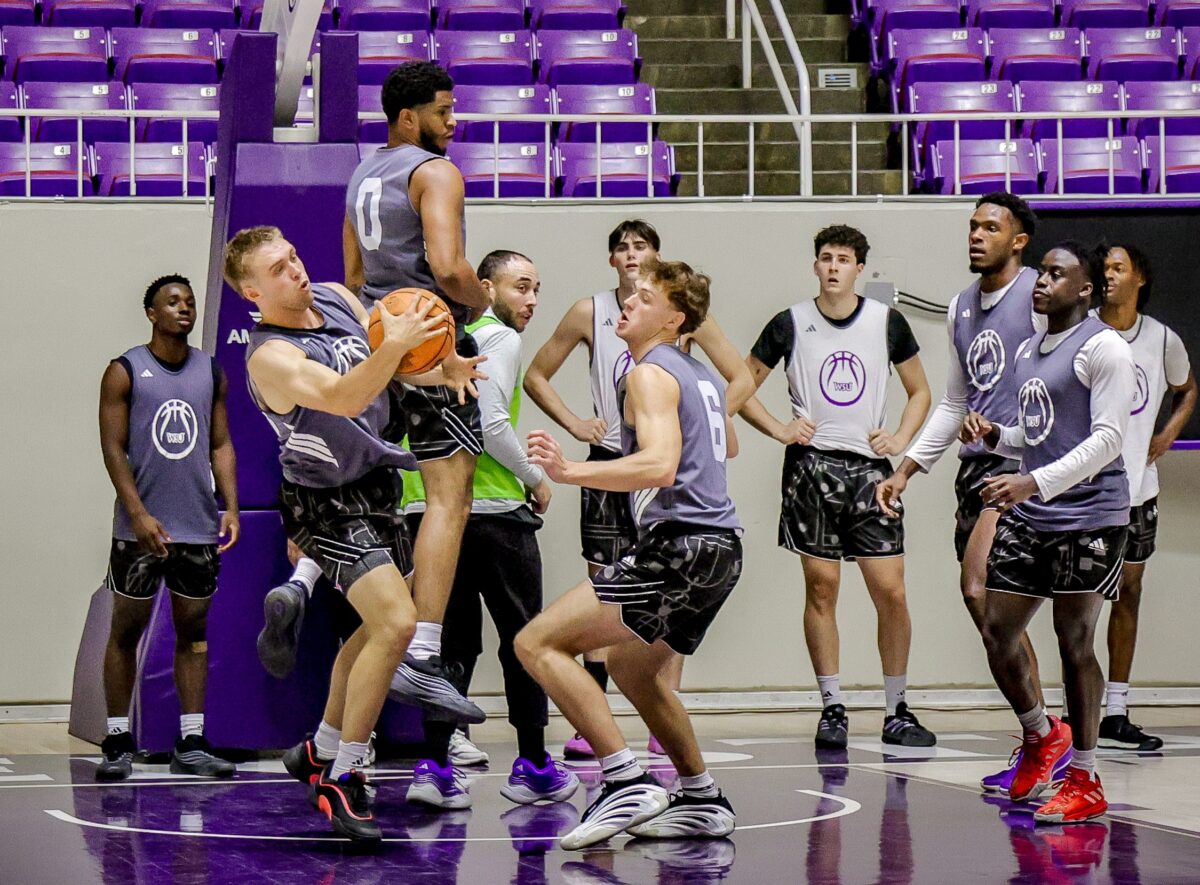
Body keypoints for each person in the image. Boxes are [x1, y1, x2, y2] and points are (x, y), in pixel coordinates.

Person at [227, 226, 483, 842]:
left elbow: (398, 359)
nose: (296, 270)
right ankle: (341, 777)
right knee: (397, 624)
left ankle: (318, 749)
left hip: (376, 485)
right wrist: (393, 349)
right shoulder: (269, 356)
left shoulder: (340, 299)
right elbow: (344, 396)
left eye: (293, 255)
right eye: (279, 269)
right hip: (322, 501)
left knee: (375, 629)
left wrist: (442, 362)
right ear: (251, 293)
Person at [517, 258, 743, 850]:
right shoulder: (700, 377)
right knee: (631, 668)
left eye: (646, 297)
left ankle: (623, 779)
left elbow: (661, 464)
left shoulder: (648, 373)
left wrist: (569, 472)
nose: (630, 300)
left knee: (536, 642)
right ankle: (702, 796)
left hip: (682, 544)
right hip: (720, 548)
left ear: (675, 319)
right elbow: (729, 445)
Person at [327, 60, 491, 718]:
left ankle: (331, 736)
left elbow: (352, 271)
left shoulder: (362, 173)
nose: (453, 123)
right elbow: (449, 267)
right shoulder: (436, 171)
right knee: (450, 500)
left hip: (377, 344)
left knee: (356, 495)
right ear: (407, 117)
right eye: (444, 112)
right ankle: (423, 649)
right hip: (432, 343)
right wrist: (484, 305)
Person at [874, 193, 1049, 788]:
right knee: (997, 619)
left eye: (989, 227)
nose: (975, 234)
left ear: (1018, 240)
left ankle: (1048, 737)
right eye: (972, 225)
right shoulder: (962, 307)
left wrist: (1019, 442)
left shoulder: (1040, 297)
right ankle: (1041, 738)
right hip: (973, 474)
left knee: (980, 595)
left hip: (1023, 472)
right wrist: (906, 469)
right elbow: (954, 402)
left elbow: (1065, 384)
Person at [741, 224, 936, 749]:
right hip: (811, 470)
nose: (833, 267)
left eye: (843, 259)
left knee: (890, 591)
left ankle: (897, 708)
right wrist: (779, 427)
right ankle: (832, 706)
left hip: (871, 473)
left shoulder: (885, 322)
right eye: (825, 257)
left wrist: (898, 436)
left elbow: (920, 391)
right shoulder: (790, 322)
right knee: (822, 588)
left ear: (858, 268)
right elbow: (741, 385)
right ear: (815, 265)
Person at [963, 241, 1135, 824]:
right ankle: (1041, 735)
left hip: (1091, 516)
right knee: (997, 630)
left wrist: (1030, 482)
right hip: (1039, 513)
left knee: (1074, 641)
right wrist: (997, 437)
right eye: (1041, 272)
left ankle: (1085, 776)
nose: (1042, 281)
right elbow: (1038, 432)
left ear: (1085, 289)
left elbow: (1108, 439)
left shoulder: (1104, 348)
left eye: (1057, 274)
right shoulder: (1031, 348)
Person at [401, 250, 579, 809]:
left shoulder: (428, 337)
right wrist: (535, 477)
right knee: (526, 642)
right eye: (521, 287)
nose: (531, 300)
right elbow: (493, 419)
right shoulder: (496, 338)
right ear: (484, 287)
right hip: (496, 513)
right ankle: (532, 765)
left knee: (446, 645)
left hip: (428, 515)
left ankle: (433, 768)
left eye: (537, 289)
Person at [96, 274, 240, 782]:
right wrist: (136, 514)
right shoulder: (124, 370)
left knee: (194, 633)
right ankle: (117, 741)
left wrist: (232, 506)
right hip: (139, 529)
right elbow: (113, 448)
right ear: (152, 313)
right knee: (125, 632)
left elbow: (221, 444)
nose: (184, 308)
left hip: (197, 526)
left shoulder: (210, 370)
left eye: (189, 301)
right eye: (172, 302)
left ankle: (192, 741)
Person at [1095, 244, 1196, 750]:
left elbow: (1187, 389)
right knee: (1081, 601)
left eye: (1118, 268)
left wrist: (1168, 434)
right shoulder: (1082, 330)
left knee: (1128, 593)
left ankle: (1116, 708)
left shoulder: (1160, 338)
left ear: (1140, 278)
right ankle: (1079, 710)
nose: (1108, 276)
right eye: (1104, 269)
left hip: (1140, 491)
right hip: (1089, 493)